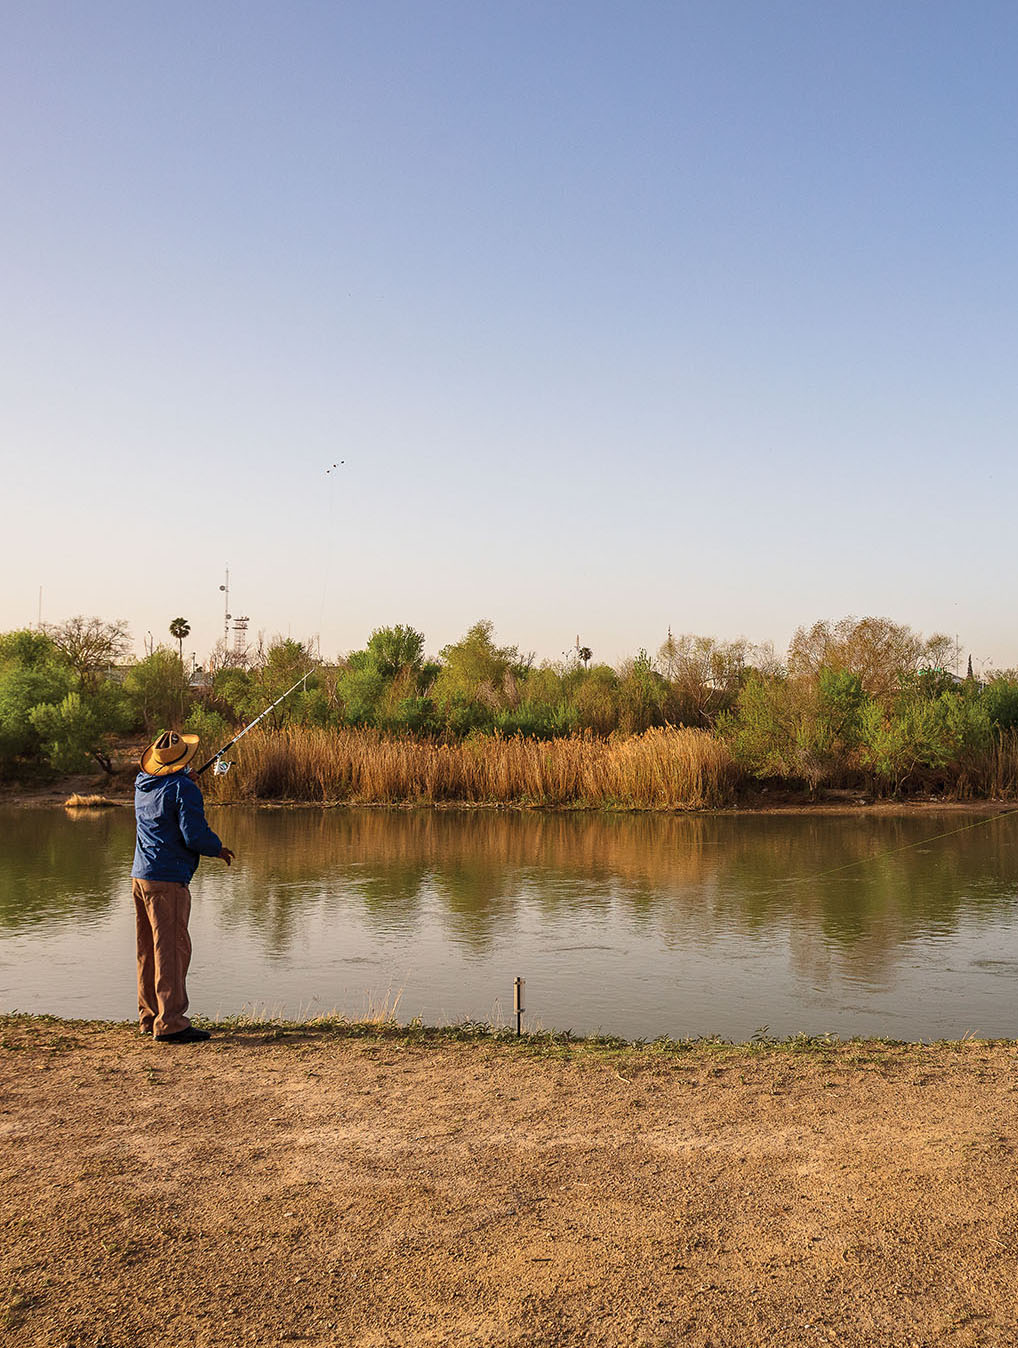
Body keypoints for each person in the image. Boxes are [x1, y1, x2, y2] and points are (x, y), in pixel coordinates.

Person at [131, 730, 235, 1043]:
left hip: (140, 877)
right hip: (167, 880)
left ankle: (150, 1018)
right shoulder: (183, 789)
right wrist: (218, 848)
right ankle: (172, 1023)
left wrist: (183, 780)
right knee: (171, 950)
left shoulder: (143, 784)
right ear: (182, 762)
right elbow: (194, 835)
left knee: (147, 950)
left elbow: (168, 793)